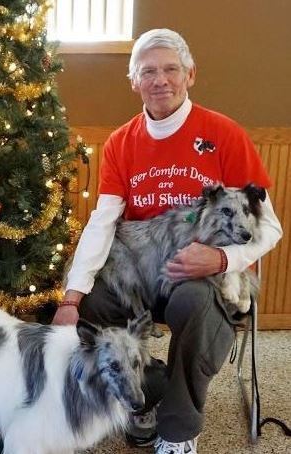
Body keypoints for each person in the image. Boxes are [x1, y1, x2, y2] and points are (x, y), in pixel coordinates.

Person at [52, 29, 283, 454]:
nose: (160, 80)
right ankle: (146, 391)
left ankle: (178, 429)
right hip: (141, 274)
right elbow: (102, 223)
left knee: (194, 303)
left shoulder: (224, 134)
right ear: (134, 82)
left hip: (203, 279)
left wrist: (219, 257)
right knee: (91, 304)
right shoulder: (122, 142)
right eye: (149, 72)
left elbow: (270, 227)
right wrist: (72, 296)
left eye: (171, 69)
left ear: (190, 75)